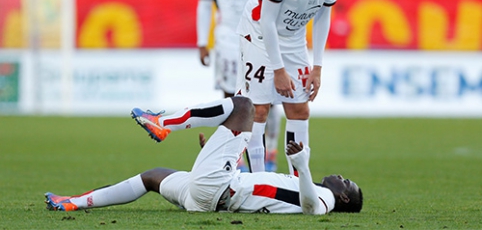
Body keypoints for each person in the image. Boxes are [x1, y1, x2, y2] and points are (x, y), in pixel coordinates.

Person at [45, 96, 363, 214]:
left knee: (243, 107)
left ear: (344, 199)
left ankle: (163, 122)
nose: (342, 179)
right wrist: (216, 154)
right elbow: (261, 187)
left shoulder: (325, 198)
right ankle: (73, 201)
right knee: (153, 176)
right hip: (211, 195)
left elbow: (312, 210)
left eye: (347, 183)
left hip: (217, 189)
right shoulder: (309, 189)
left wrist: (302, 167)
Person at [236, 0, 346, 174]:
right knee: (259, 108)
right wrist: (278, 69)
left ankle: (299, 180)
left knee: (299, 107)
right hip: (258, 34)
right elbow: (266, 19)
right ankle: (258, 180)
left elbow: (323, 16)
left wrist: (317, 66)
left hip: (294, 37)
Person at [195, 0, 281, 171]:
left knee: (269, 99)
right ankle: (235, 156)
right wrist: (202, 42)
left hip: (257, 38)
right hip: (227, 41)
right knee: (232, 99)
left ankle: (270, 154)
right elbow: (204, 5)